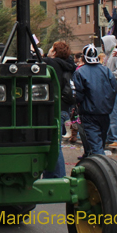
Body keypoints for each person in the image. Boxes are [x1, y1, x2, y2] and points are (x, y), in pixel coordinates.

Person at [72, 44, 117, 157]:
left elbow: (78, 94)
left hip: (89, 112)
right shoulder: (106, 70)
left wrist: (77, 106)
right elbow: (115, 89)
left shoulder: (80, 72)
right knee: (100, 141)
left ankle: (100, 166)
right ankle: (94, 159)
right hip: (104, 111)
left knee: (95, 144)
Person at [44, 41, 76, 177]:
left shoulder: (51, 63)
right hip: (65, 107)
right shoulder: (69, 66)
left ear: (55, 52)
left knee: (53, 145)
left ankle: (57, 176)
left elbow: (38, 60)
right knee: (55, 143)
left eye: (51, 48)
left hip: (54, 108)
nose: (49, 50)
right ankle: (51, 176)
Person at [100, 35, 117, 148]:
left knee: (115, 113)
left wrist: (109, 76)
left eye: (103, 43)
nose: (102, 46)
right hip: (112, 88)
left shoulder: (115, 54)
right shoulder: (108, 55)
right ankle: (111, 137)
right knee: (111, 114)